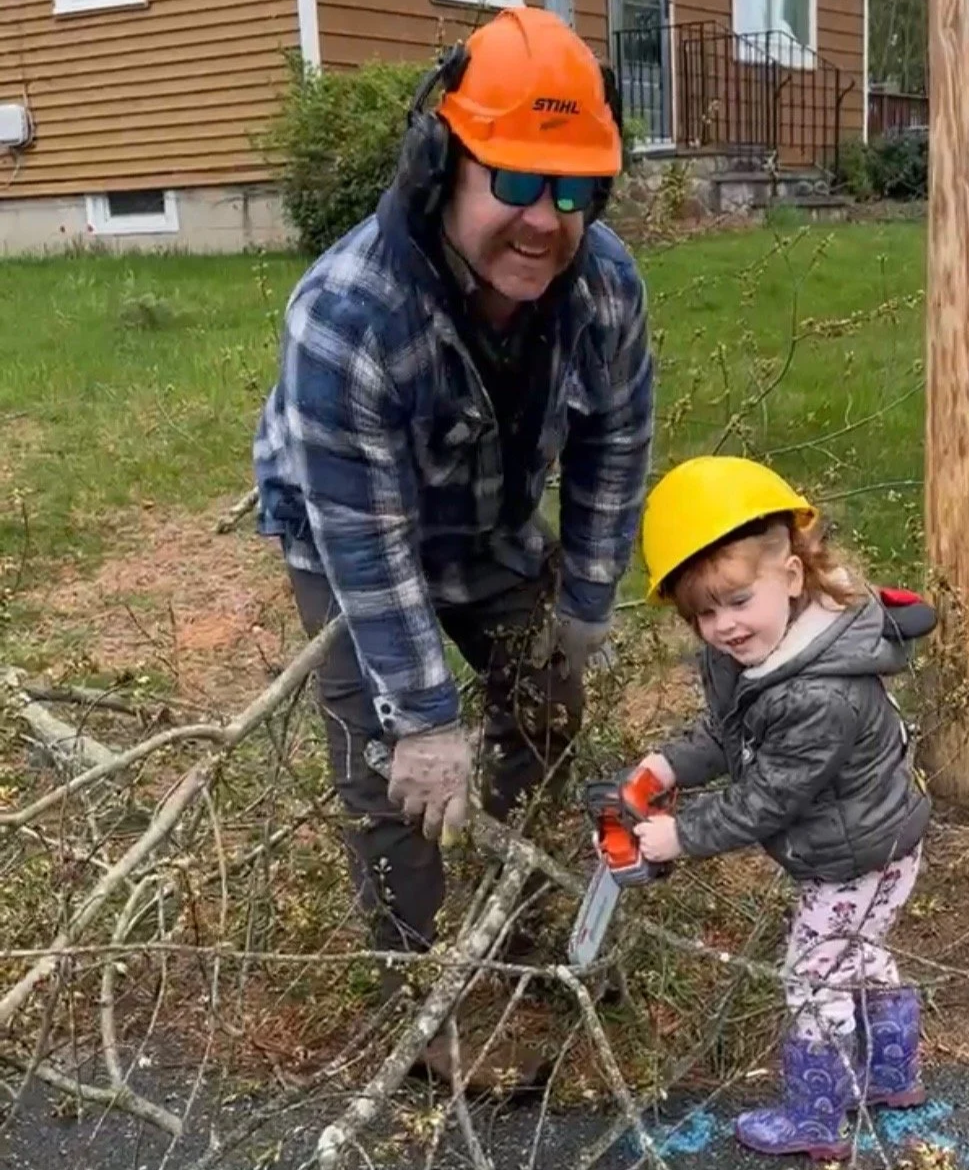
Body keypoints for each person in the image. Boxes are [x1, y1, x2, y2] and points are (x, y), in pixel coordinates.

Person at [252, 8, 654, 1086]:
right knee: (395, 770)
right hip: (344, 530)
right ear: (443, 164)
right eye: (517, 183)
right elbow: (369, 542)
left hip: (486, 517)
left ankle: (530, 945)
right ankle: (423, 999)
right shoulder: (348, 314)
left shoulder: (605, 287)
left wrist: (587, 600)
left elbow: (616, 444)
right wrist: (425, 720)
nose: (544, 221)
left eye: (573, 192)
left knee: (546, 709)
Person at [616, 455, 933, 1160]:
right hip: (861, 841)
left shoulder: (817, 694)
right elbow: (731, 736)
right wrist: (666, 764)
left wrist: (680, 835)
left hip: (856, 854)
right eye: (703, 612)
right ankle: (890, 1072)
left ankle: (816, 1117)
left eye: (735, 601)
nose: (723, 626)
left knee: (812, 973)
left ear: (790, 576)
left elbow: (766, 798)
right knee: (857, 953)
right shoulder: (765, 654)